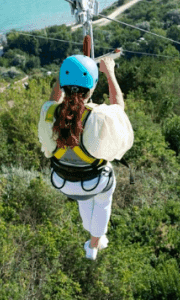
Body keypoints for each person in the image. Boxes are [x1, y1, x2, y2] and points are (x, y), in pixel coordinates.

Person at [38, 54, 133, 260]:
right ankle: (94, 244)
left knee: (85, 194)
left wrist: (62, 75)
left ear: (62, 85)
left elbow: (53, 101)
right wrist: (110, 74)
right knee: (102, 200)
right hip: (93, 182)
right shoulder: (99, 116)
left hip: (63, 181)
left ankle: (92, 236)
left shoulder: (48, 112)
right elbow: (119, 110)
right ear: (92, 88)